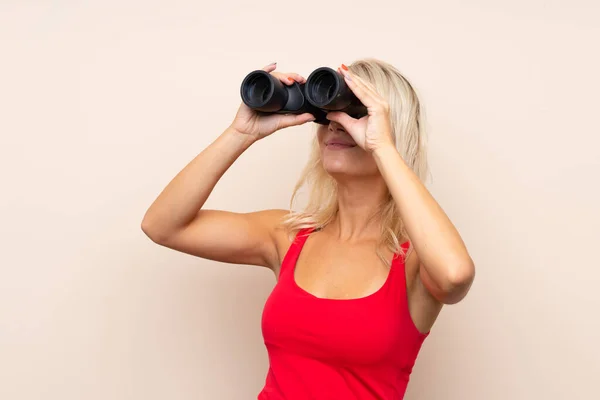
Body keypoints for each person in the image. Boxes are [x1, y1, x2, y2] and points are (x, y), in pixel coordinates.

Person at [141, 58, 476, 399]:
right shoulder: (289, 236)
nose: (336, 125)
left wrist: (383, 148)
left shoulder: (416, 259)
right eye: (327, 115)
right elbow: (162, 226)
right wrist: (240, 134)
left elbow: (455, 276)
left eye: (355, 113)